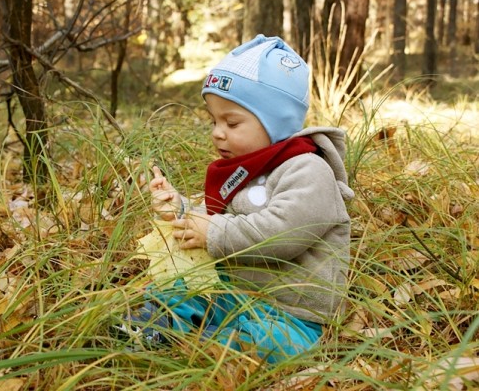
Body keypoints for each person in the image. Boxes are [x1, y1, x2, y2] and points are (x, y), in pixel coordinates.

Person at [125, 34, 354, 363]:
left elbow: (283, 233)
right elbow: (215, 217)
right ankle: (150, 325)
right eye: (213, 120)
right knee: (184, 292)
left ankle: (200, 346)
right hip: (235, 294)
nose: (218, 132)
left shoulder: (309, 170)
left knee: (270, 346)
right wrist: (180, 210)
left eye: (232, 122)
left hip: (292, 314)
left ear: (275, 122)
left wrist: (212, 231)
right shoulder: (245, 170)